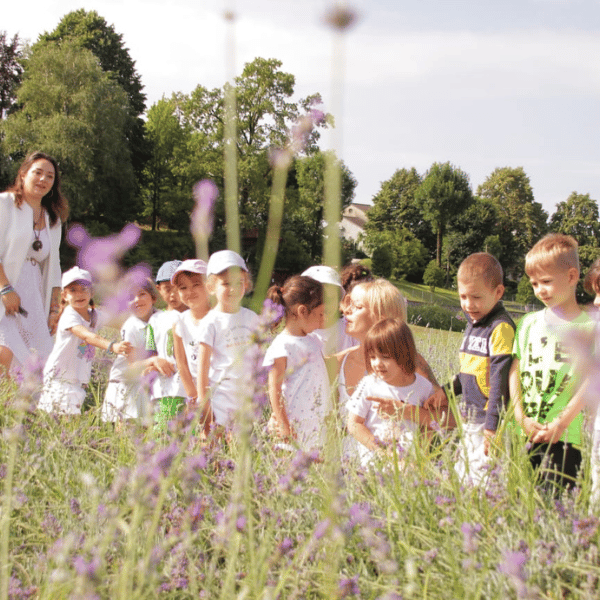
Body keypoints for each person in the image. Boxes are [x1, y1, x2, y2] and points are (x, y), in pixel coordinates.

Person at [510, 233, 594, 490]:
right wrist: (519, 416)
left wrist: (562, 423)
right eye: (534, 284)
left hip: (565, 437)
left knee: (555, 511)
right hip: (526, 432)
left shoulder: (589, 327)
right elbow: (515, 372)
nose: (539, 290)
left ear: (571, 277)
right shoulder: (527, 324)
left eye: (546, 282)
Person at [0, 151, 69, 376]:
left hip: (34, 296)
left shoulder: (53, 218)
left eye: (49, 176)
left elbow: (55, 266)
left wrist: (54, 309)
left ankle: (21, 409)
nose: (43, 179)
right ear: (23, 173)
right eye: (37, 172)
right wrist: (6, 288)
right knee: (5, 351)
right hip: (5, 287)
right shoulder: (5, 204)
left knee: (38, 361)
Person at [448, 253, 515, 482]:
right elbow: (469, 372)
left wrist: (492, 426)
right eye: (463, 296)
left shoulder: (500, 328)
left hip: (487, 420)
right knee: (463, 476)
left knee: (483, 480)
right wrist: (446, 391)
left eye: (475, 297)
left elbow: (500, 380)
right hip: (470, 417)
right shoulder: (474, 324)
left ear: (498, 292)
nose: (468, 304)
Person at [38, 267, 131, 415]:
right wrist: (112, 346)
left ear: (92, 292)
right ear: (64, 295)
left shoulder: (94, 315)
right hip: (58, 378)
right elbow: (88, 336)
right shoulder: (70, 316)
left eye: (83, 289)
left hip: (77, 381)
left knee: (70, 423)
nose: (79, 294)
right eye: (73, 290)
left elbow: (118, 320)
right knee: (60, 422)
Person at [346, 318, 434, 466]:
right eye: (373, 357)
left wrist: (419, 457)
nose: (377, 363)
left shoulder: (423, 387)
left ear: (404, 354)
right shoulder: (369, 384)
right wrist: (381, 451)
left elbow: (429, 426)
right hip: (373, 466)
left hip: (406, 467)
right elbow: (354, 424)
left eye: (385, 357)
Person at [263, 275, 331, 451]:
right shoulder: (282, 346)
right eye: (320, 314)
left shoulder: (314, 340)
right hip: (294, 425)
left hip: (315, 423)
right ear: (302, 311)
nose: (323, 319)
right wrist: (283, 425)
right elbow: (274, 389)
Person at [197, 250, 259, 433]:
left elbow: (259, 359)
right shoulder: (210, 321)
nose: (233, 289)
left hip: (247, 399)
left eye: (239, 283)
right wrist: (204, 403)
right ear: (211, 287)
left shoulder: (252, 317)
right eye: (226, 284)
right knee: (214, 450)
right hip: (219, 399)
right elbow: (203, 367)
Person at [101, 278, 159, 425]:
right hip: (125, 384)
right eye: (131, 297)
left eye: (142, 294)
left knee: (144, 433)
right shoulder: (132, 326)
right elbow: (133, 363)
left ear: (153, 297)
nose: (136, 300)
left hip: (144, 382)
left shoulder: (159, 319)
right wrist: (154, 362)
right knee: (126, 430)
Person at [145, 260, 187, 432]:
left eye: (178, 288)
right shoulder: (155, 320)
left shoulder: (197, 317)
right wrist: (154, 363)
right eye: (168, 289)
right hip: (165, 389)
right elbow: (149, 354)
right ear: (159, 289)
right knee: (163, 437)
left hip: (193, 390)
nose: (173, 295)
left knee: (191, 439)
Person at [172, 259, 211, 407]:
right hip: (196, 392)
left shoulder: (220, 318)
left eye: (196, 285)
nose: (190, 292)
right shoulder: (180, 323)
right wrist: (193, 395)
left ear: (210, 286)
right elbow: (181, 363)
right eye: (183, 288)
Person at [302, 265, 356, 354]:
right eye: (319, 300)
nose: (325, 305)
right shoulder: (297, 333)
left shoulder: (350, 330)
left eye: (331, 299)